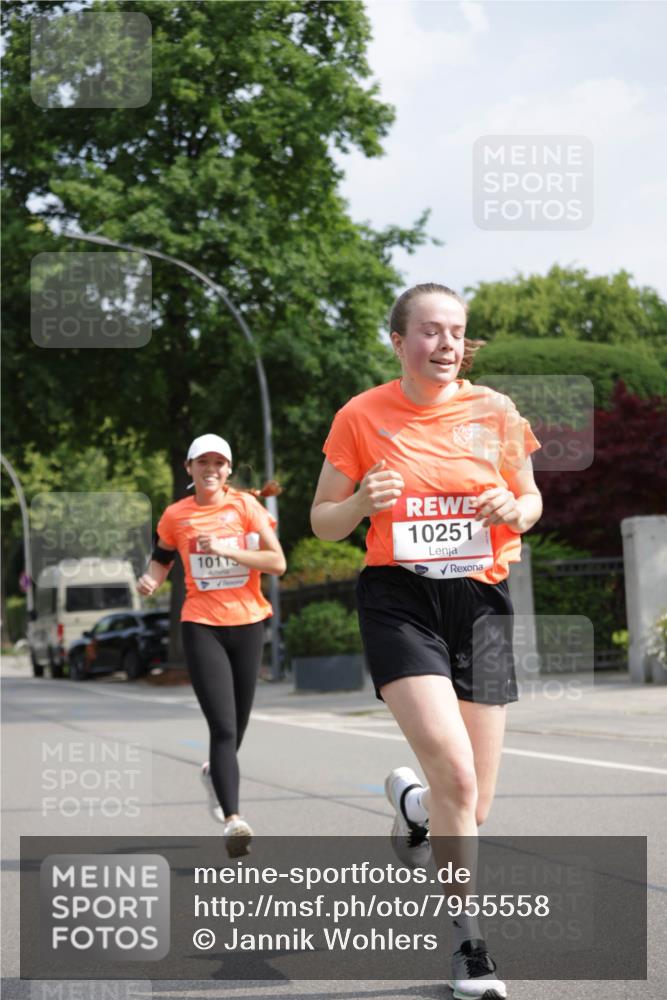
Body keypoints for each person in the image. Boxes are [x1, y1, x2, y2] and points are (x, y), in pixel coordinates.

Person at [311, 283, 542, 1000]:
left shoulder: (494, 412)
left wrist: (515, 506)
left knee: (470, 807)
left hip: (482, 601)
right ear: (397, 341)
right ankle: (470, 946)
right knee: (457, 775)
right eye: (430, 332)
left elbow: (529, 500)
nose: (446, 345)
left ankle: (414, 808)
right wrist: (357, 503)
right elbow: (323, 521)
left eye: (457, 332)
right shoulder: (361, 415)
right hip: (399, 599)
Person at [138, 433, 286, 857]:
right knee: (222, 727)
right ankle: (233, 821)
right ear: (189, 469)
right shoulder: (176, 515)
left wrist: (225, 548)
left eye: (219, 463)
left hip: (249, 623)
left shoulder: (244, 507)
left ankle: (212, 775)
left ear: (228, 470)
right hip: (201, 624)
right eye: (203, 462)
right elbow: (163, 555)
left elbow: (277, 562)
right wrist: (152, 578)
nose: (211, 470)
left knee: (237, 724)